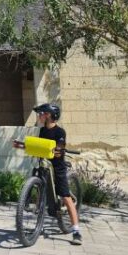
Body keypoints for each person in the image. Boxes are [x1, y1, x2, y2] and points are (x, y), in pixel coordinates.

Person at [33, 103, 82, 245]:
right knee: (38, 182)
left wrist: (58, 150)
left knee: (65, 197)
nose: (40, 116)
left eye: (42, 113)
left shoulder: (60, 132)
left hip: (57, 167)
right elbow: (40, 145)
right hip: (45, 164)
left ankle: (76, 231)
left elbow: (60, 147)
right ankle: (38, 207)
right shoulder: (42, 131)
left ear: (49, 115)